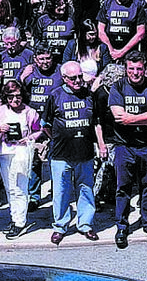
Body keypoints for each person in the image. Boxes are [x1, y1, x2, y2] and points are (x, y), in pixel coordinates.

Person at [108, 51, 147, 249]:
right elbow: (117, 115)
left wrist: (131, 119)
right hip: (125, 146)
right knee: (123, 188)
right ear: (126, 69)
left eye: (139, 68)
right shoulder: (118, 86)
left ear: (145, 69)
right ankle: (122, 226)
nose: (135, 72)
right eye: (131, 68)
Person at [43, 61, 105, 244]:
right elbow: (45, 125)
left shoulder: (90, 95)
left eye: (80, 76)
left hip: (85, 153)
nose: (78, 81)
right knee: (61, 192)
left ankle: (85, 224)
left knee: (86, 189)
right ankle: (60, 226)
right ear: (64, 78)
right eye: (73, 78)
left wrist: (101, 145)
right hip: (61, 154)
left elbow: (96, 122)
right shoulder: (55, 96)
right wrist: (59, 137)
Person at [0, 80, 42, 240]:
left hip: (21, 152)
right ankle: (14, 218)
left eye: (18, 96)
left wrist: (28, 138)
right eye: (10, 97)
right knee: (9, 188)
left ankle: (20, 222)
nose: (15, 100)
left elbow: (39, 130)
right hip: (4, 152)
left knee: (20, 187)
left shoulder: (30, 112)